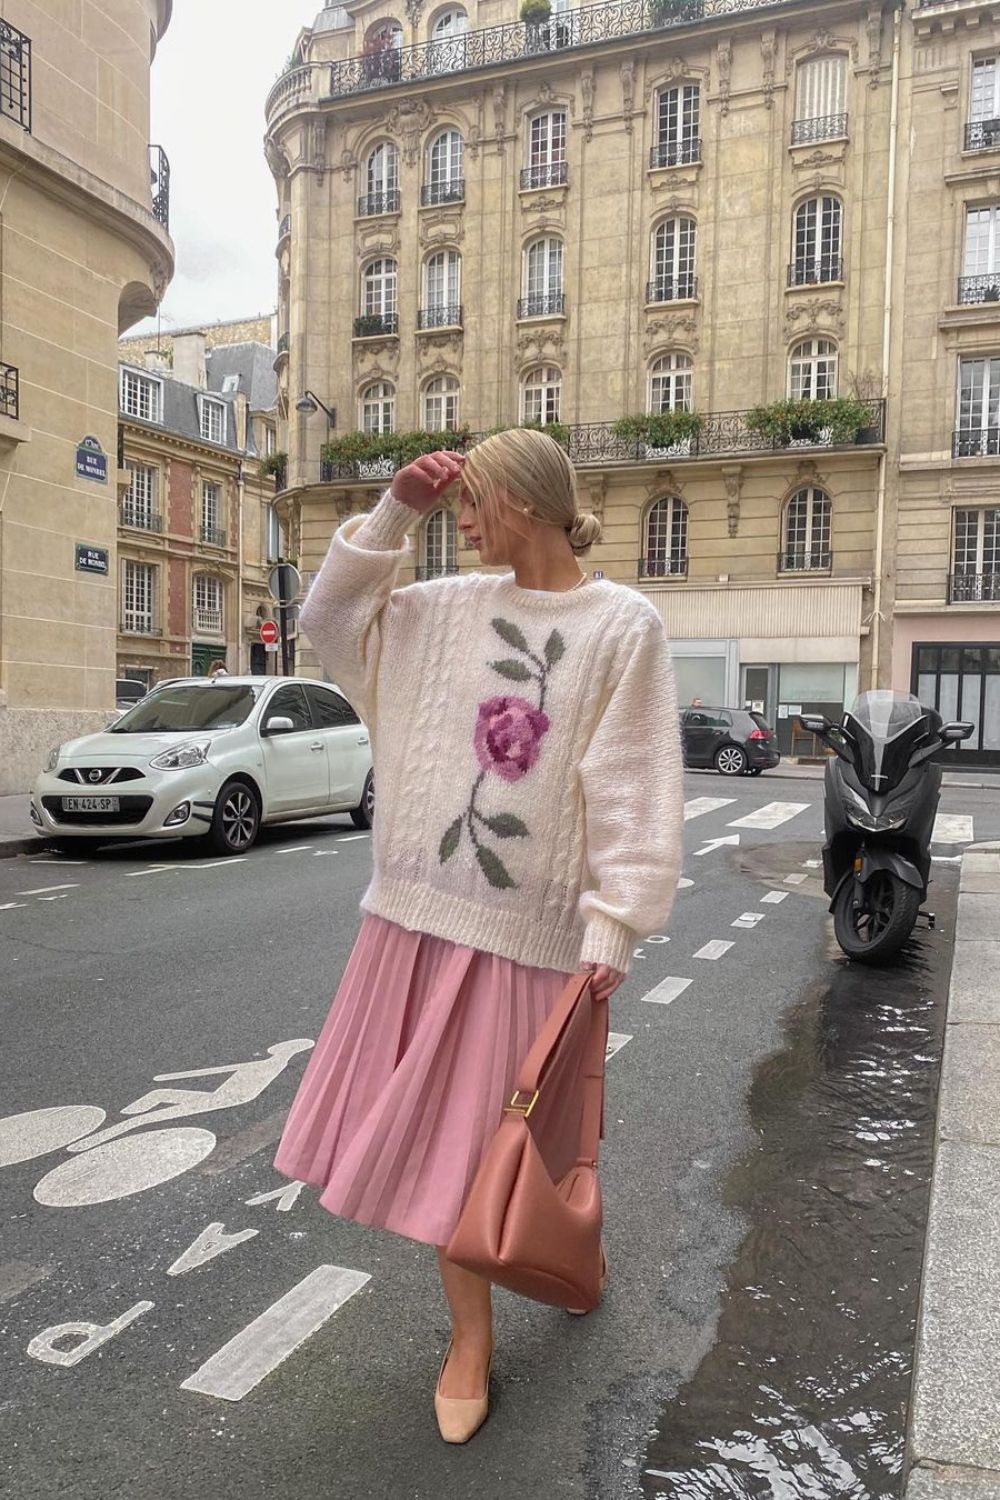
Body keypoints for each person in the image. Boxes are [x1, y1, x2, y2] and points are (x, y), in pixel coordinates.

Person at [274, 428, 683, 1444]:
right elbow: (325, 619)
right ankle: (470, 1341)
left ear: (527, 501)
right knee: (459, 1157)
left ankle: (562, 1253)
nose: (461, 525)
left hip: (529, 937)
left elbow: (631, 782)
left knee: (526, 1142)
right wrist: (397, 509)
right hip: (411, 925)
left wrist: (613, 928)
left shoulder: (621, 624)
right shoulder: (438, 609)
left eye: (472, 504)